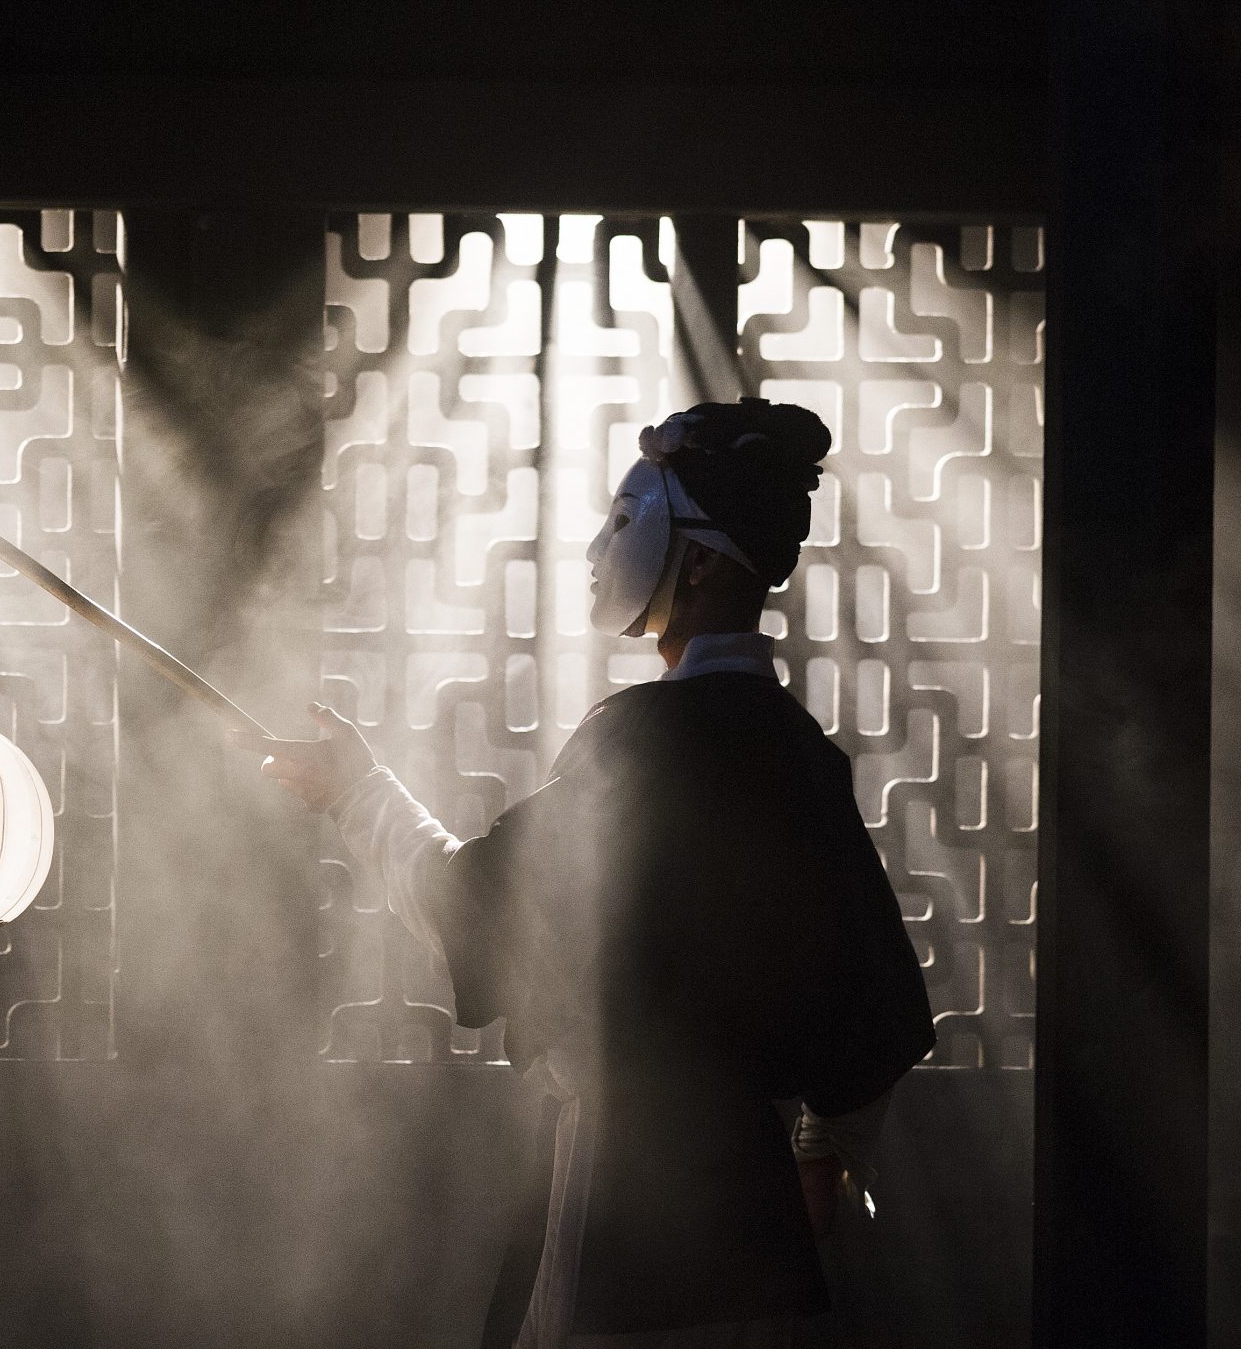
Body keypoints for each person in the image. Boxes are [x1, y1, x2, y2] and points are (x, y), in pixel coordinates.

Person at [235, 398, 936, 1348]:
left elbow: (472, 901)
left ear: (696, 559)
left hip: (621, 1209)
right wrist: (820, 1157)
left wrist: (360, 793)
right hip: (759, 1227)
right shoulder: (803, 753)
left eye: (623, 521)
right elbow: (879, 1019)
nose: (603, 548)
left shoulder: (637, 743)